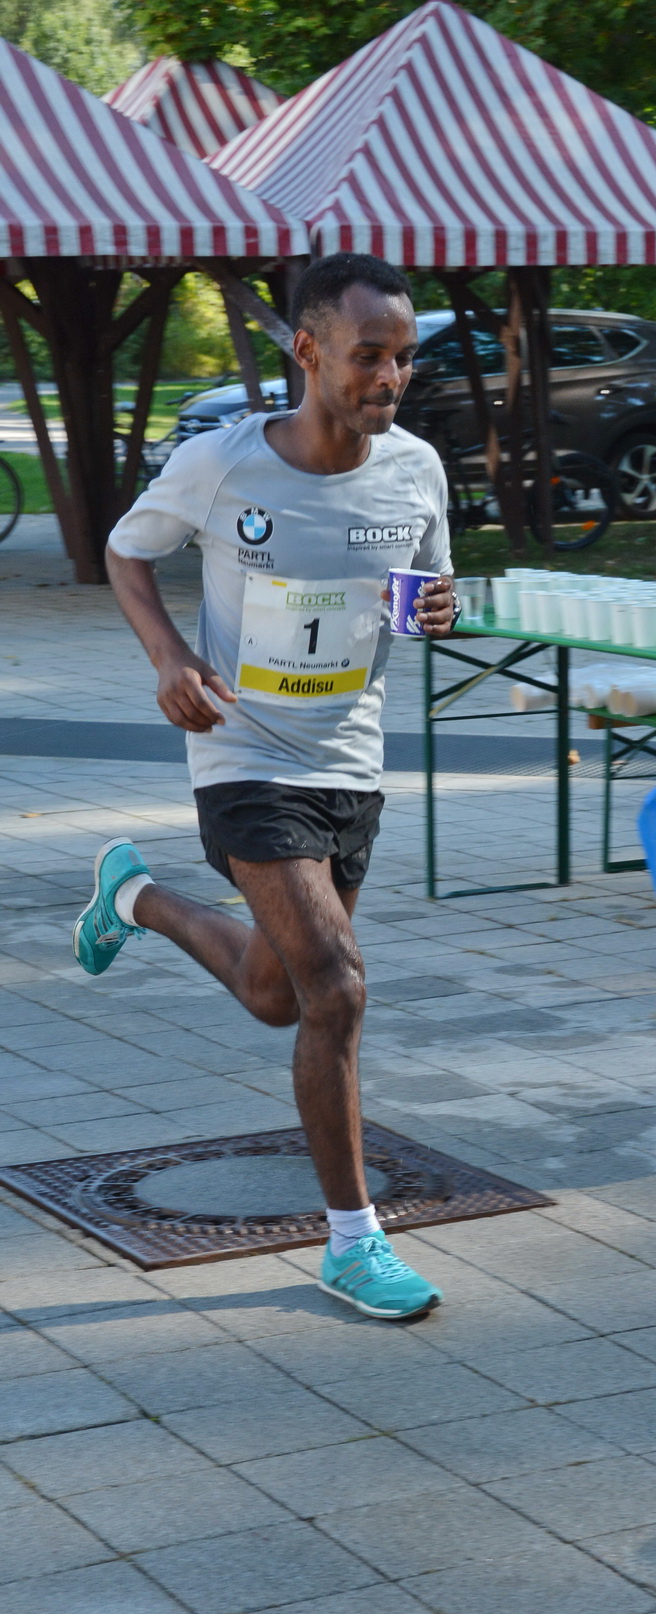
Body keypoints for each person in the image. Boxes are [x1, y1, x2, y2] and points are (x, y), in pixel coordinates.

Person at [74, 253, 457, 1319]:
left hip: (352, 757)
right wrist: (168, 659)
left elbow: (422, 591)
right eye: (368, 355)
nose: (389, 378)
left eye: (404, 359)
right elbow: (126, 551)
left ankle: (135, 899)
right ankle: (352, 1241)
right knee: (336, 986)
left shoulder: (416, 469)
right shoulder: (224, 463)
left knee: (274, 992)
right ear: (309, 350)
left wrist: (437, 610)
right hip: (243, 754)